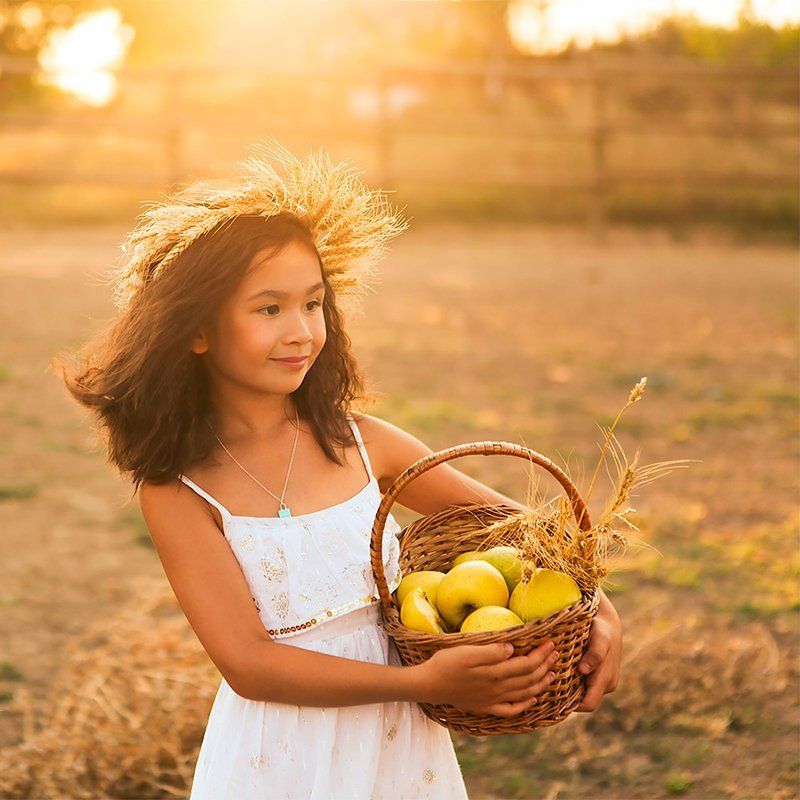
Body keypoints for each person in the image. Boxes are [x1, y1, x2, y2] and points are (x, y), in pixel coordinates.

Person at [54, 138, 622, 799]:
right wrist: (419, 685)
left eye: (313, 303)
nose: (302, 331)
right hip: (281, 762)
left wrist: (603, 612)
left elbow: (537, 535)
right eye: (269, 309)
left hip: (399, 751)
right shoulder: (180, 489)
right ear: (197, 329)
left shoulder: (365, 443)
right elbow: (250, 665)